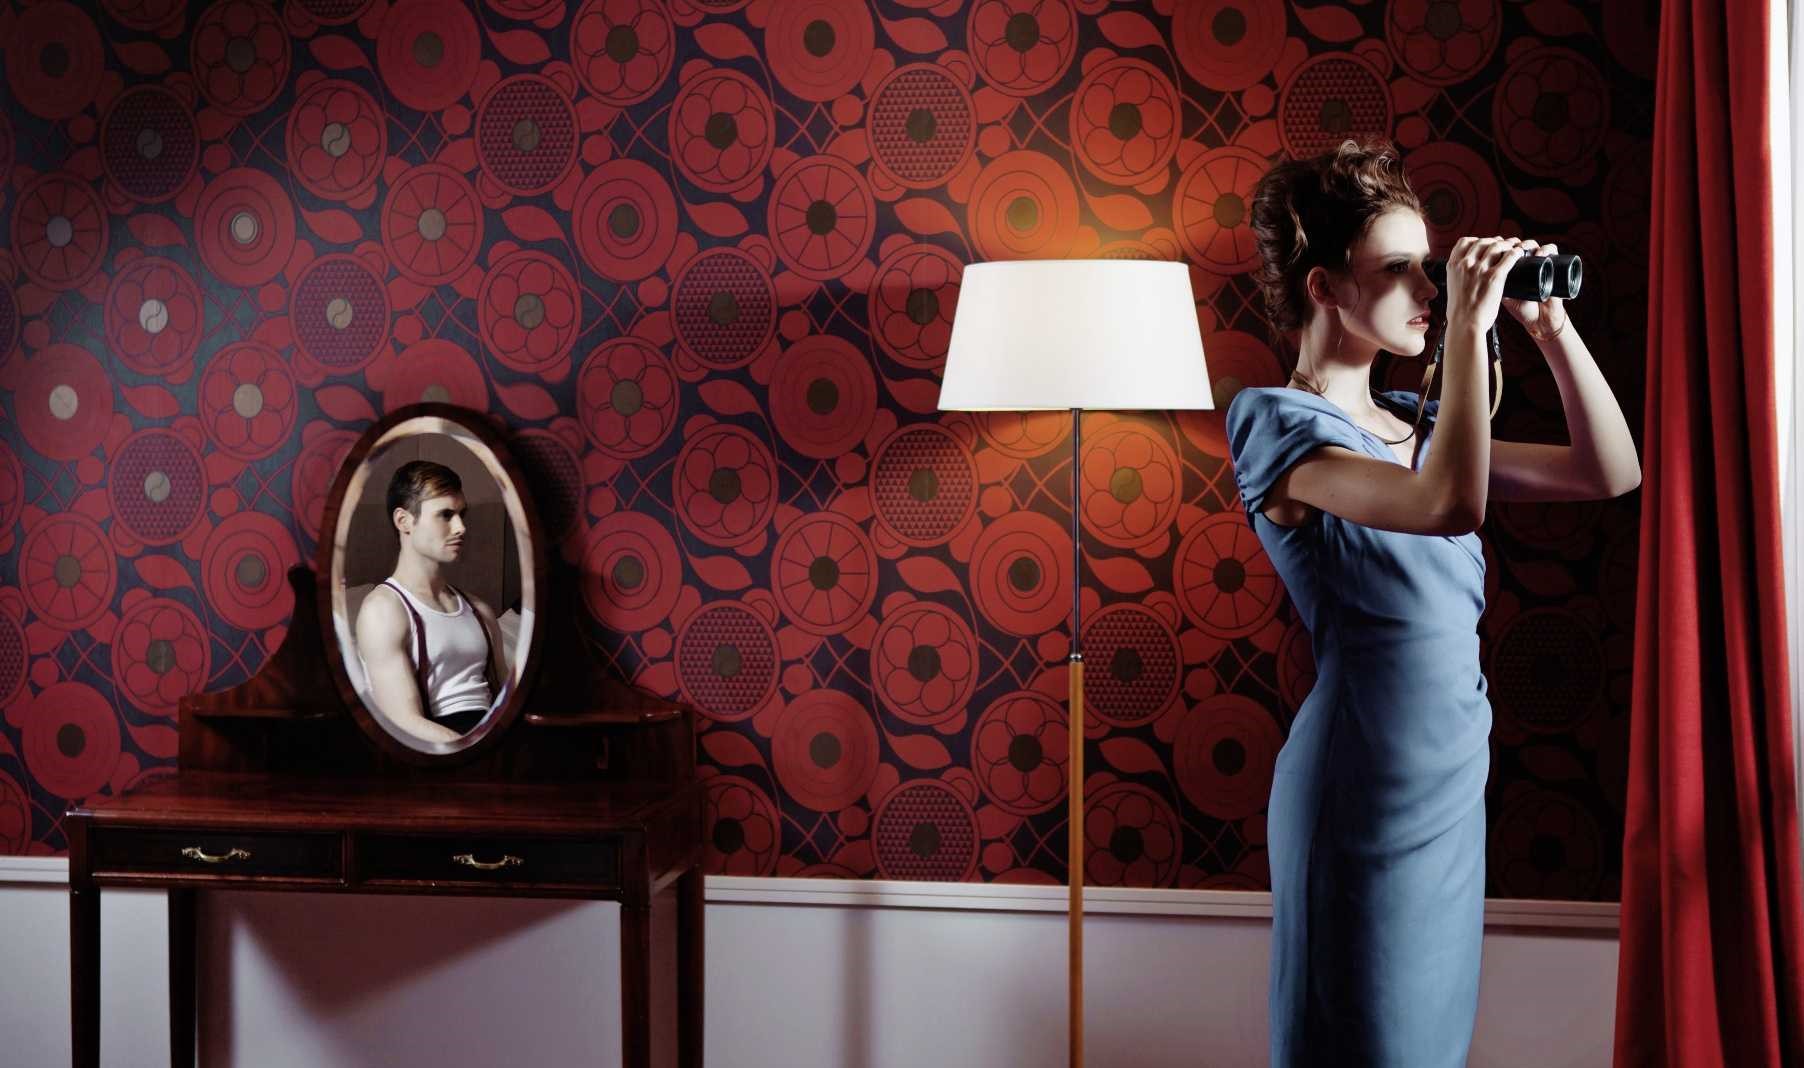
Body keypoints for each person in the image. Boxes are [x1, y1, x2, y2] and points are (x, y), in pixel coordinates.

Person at [1224, 138, 1640, 1067]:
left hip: (1449, 776)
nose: (1429, 289)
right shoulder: (1275, 423)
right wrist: (1467, 331)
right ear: (1325, 287)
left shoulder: (1415, 424)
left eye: (1431, 266)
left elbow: (1608, 470)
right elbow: (1448, 503)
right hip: (1362, 786)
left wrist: (1548, 328)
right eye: (1399, 269)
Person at [355, 460, 507, 743]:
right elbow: (404, 720)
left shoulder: (480, 610)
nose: (461, 527)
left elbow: (506, 702)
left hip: (492, 743)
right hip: (443, 752)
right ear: (404, 521)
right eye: (445, 515)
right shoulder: (384, 610)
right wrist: (474, 750)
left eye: (462, 514)